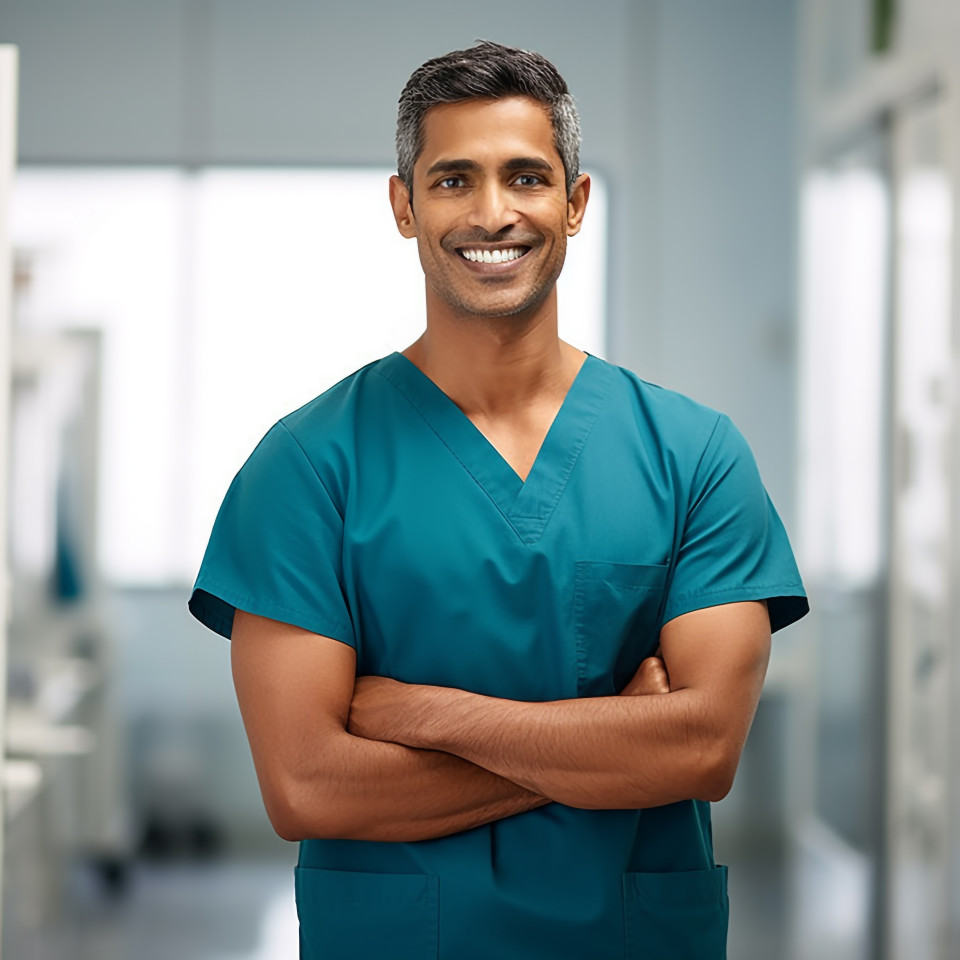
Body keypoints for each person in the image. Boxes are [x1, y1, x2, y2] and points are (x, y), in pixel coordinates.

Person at [188, 40, 808, 960]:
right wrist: (607, 743)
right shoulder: (308, 467)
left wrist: (422, 715)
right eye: (451, 180)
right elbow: (308, 788)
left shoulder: (694, 456)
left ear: (576, 201)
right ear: (403, 207)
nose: (492, 213)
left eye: (525, 176)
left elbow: (702, 753)